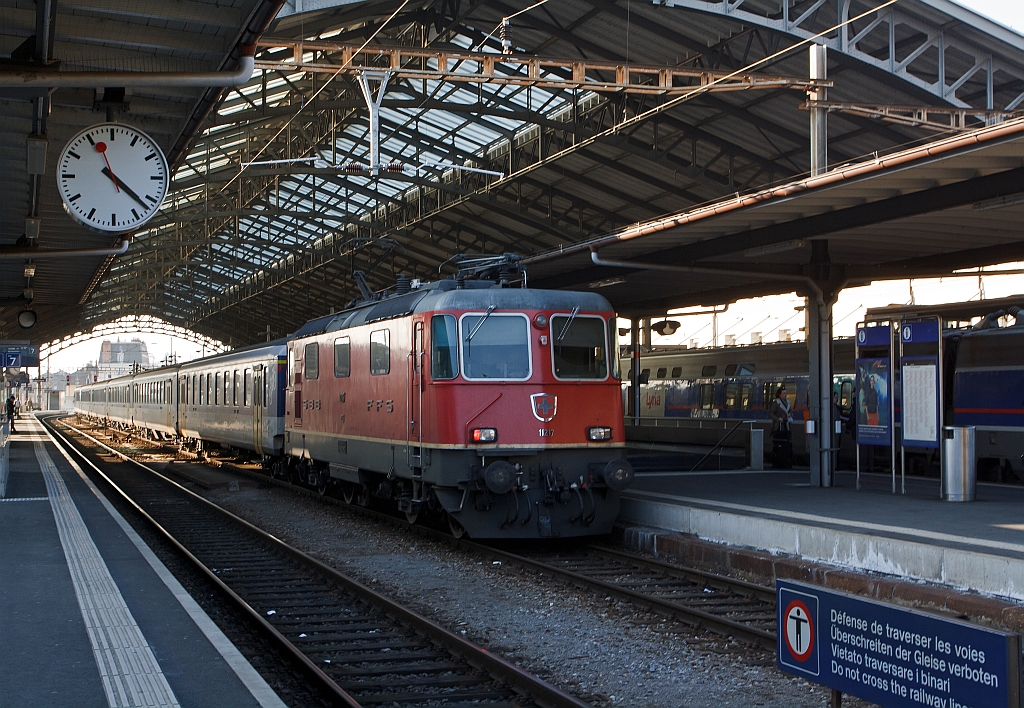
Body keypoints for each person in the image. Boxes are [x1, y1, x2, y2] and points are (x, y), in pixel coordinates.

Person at [769, 386, 793, 469]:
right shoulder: (776, 403)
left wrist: (790, 414)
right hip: (778, 426)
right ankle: (777, 461)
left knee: (786, 443)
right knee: (778, 443)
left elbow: (790, 411)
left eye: (786, 393)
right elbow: (771, 413)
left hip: (786, 425)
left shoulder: (788, 402)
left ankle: (785, 461)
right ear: (779, 394)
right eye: (783, 393)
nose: (785, 395)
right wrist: (777, 419)